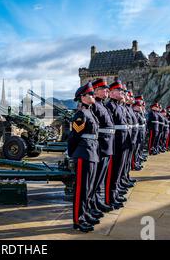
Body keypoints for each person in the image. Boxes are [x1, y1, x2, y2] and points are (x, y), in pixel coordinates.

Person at [68, 82, 100, 232]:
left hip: (92, 152)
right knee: (81, 189)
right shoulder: (80, 114)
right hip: (83, 154)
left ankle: (85, 214)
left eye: (93, 94)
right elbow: (74, 137)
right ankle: (78, 220)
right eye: (91, 94)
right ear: (82, 97)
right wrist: (73, 154)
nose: (93, 96)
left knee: (89, 188)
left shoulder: (90, 112)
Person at [90, 78, 115, 214]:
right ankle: (93, 204)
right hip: (100, 146)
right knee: (95, 178)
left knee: (101, 178)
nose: (107, 91)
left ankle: (98, 201)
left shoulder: (102, 105)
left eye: (107, 89)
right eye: (104, 89)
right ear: (96, 91)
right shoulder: (94, 105)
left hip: (107, 145)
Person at [105, 79, 129, 210]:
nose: (122, 92)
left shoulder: (118, 106)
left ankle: (115, 193)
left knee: (119, 170)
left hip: (123, 141)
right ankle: (110, 198)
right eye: (119, 90)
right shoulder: (110, 106)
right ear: (112, 93)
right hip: (116, 143)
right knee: (113, 172)